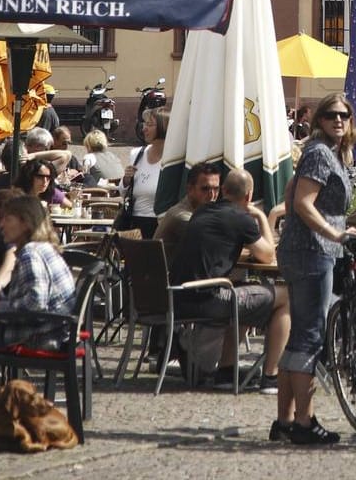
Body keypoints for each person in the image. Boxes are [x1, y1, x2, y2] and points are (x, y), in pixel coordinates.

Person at [272, 92, 356, 446]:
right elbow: (303, 203)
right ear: (319, 120)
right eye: (331, 115)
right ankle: (304, 423)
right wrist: (335, 233)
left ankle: (284, 421)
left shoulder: (325, 153)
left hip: (306, 249)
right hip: (312, 250)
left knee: (299, 335)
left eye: (344, 115)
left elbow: (294, 191)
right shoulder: (322, 153)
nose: (339, 120)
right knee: (310, 336)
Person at [172, 167, 287, 393]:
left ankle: (226, 371)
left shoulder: (203, 212)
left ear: (223, 190)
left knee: (247, 295)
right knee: (286, 296)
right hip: (208, 298)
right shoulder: (240, 217)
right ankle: (271, 377)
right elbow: (267, 255)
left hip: (179, 296)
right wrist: (263, 216)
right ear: (249, 196)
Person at [0, 193, 76, 347]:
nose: (1, 225)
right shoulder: (44, 248)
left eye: (7, 219)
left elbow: (35, 303)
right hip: (59, 329)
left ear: (26, 223)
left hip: (45, 334)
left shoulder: (31, 253)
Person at [155, 161, 225, 250]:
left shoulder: (199, 213)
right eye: (205, 189)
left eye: (216, 189)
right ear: (190, 189)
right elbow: (217, 245)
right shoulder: (182, 216)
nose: (212, 195)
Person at [123, 106, 169, 237]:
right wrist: (126, 180)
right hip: (135, 224)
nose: (144, 128)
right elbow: (124, 192)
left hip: (162, 225)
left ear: (163, 127)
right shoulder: (137, 154)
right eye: (144, 124)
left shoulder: (173, 158)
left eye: (149, 124)